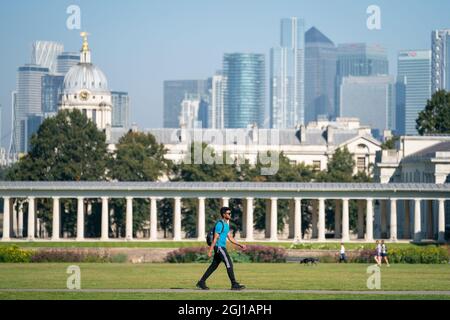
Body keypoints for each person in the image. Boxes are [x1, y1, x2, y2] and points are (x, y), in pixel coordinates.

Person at [196, 207, 246, 290]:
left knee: (213, 266)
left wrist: (240, 245)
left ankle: (201, 282)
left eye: (230, 213)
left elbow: (230, 238)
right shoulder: (220, 224)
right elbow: (215, 238)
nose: (230, 215)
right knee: (229, 263)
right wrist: (210, 250)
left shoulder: (226, 225)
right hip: (219, 247)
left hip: (221, 247)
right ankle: (234, 284)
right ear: (224, 214)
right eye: (228, 213)